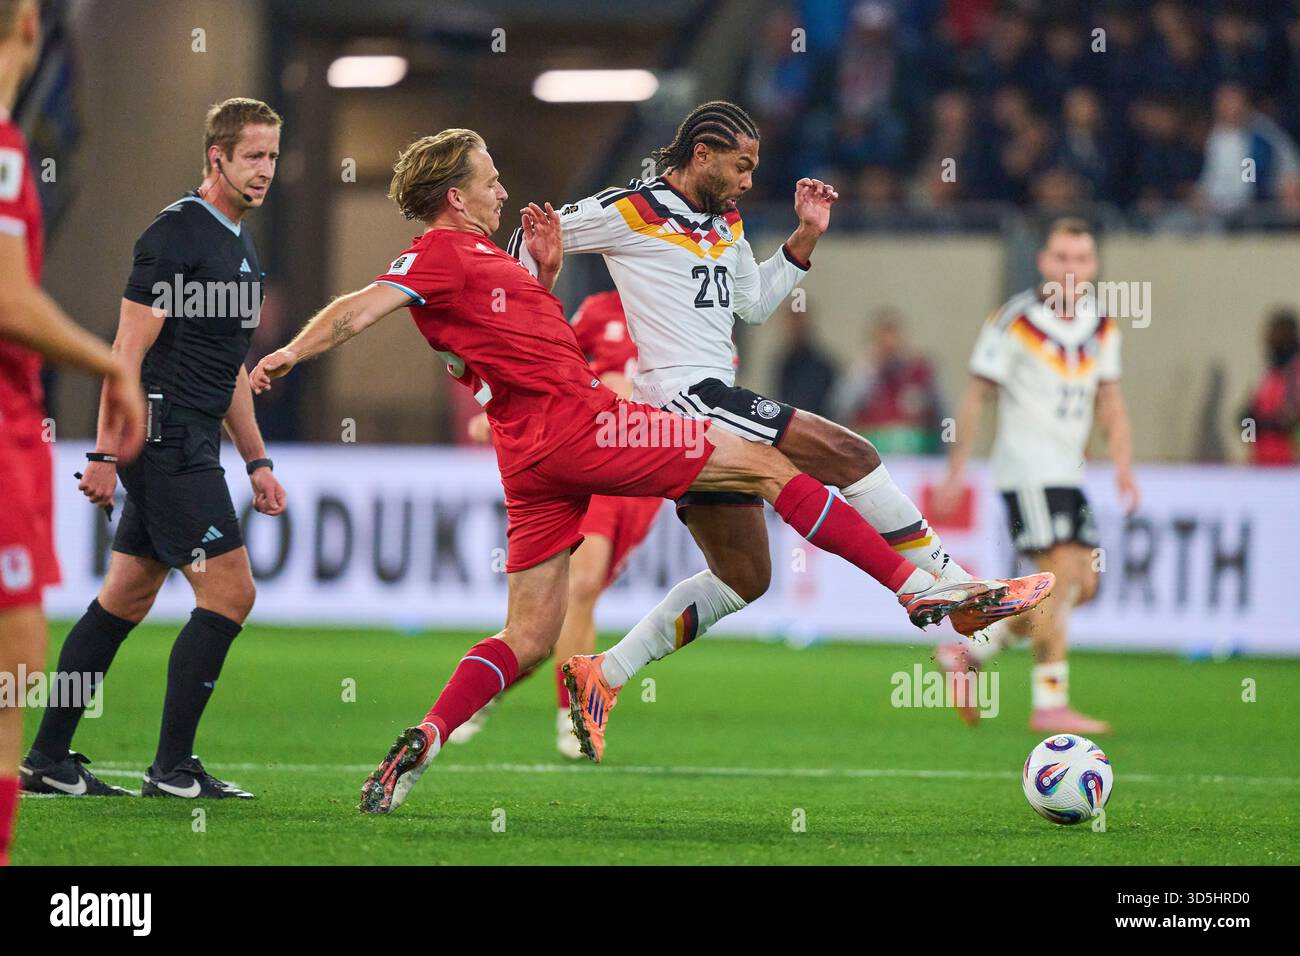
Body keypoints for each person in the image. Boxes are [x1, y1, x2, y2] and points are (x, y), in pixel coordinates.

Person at [250, 128, 1036, 813]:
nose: (501, 190)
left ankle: (428, 734)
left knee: (528, 637)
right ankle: (921, 591)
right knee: (765, 465)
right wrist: (290, 352)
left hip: (528, 459)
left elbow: (509, 343)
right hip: (586, 423)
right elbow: (358, 307)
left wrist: (546, 279)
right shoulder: (439, 253)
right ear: (455, 196)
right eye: (489, 180)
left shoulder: (483, 264)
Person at [511, 100, 1052, 761]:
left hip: (712, 403)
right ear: (702, 156)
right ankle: (950, 586)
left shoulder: (726, 219)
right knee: (848, 452)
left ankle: (604, 673)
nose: (746, 181)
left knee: (744, 575)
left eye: (753, 169)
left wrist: (804, 235)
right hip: (685, 401)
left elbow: (754, 303)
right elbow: (530, 242)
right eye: (740, 167)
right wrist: (536, 272)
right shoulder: (629, 210)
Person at [23, 97, 286, 800]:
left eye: (272, 157)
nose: (265, 170)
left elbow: (228, 365)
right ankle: (171, 770)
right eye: (253, 156)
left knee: (125, 597)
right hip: (163, 438)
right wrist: (107, 454)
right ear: (217, 157)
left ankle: (48, 759)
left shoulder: (239, 243)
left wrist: (257, 461)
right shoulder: (176, 235)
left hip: (194, 438)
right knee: (230, 592)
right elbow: (125, 351)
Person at [0, 0, 144, 863]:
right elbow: (7, 298)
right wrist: (111, 364)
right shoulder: (5, 153)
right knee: (13, 659)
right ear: (28, 29)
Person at [934, 218, 1137, 734]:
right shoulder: (1013, 320)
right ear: (1044, 263)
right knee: (1060, 578)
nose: (1072, 268)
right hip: (1026, 469)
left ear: (1093, 267)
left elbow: (1110, 400)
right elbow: (977, 395)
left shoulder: (1101, 326)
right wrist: (957, 470)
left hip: (1069, 474)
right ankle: (1050, 701)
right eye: (1062, 258)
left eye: (1082, 259)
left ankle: (973, 649)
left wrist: (1123, 467)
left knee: (1081, 585)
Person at [454, 289, 662, 759]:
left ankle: (486, 685)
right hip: (600, 455)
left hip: (654, 469)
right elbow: (549, 361)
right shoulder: (598, 310)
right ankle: (574, 717)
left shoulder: (683, 303)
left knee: (561, 613)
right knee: (581, 588)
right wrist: (508, 407)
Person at [832, 308, 944, 455]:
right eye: (884, 343)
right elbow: (839, 410)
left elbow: (942, 414)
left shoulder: (922, 372)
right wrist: (865, 372)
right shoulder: (862, 373)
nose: (890, 346)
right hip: (870, 457)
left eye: (895, 339)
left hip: (915, 459)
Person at [1242, 307, 1299, 466]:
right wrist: (1249, 442)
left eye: (1279, 333)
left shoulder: (1295, 371)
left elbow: (1291, 419)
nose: (1271, 338)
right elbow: (1247, 416)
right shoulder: (1264, 373)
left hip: (1290, 464)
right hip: (1261, 462)